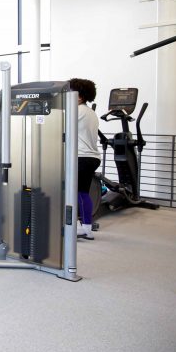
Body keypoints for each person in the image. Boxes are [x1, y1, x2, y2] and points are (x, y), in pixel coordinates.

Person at [69, 78, 101, 239]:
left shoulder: (78, 111)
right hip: (91, 157)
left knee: (75, 192)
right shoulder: (90, 112)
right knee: (82, 192)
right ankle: (86, 227)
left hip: (82, 157)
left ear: (80, 97)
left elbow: (61, 126)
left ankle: (81, 228)